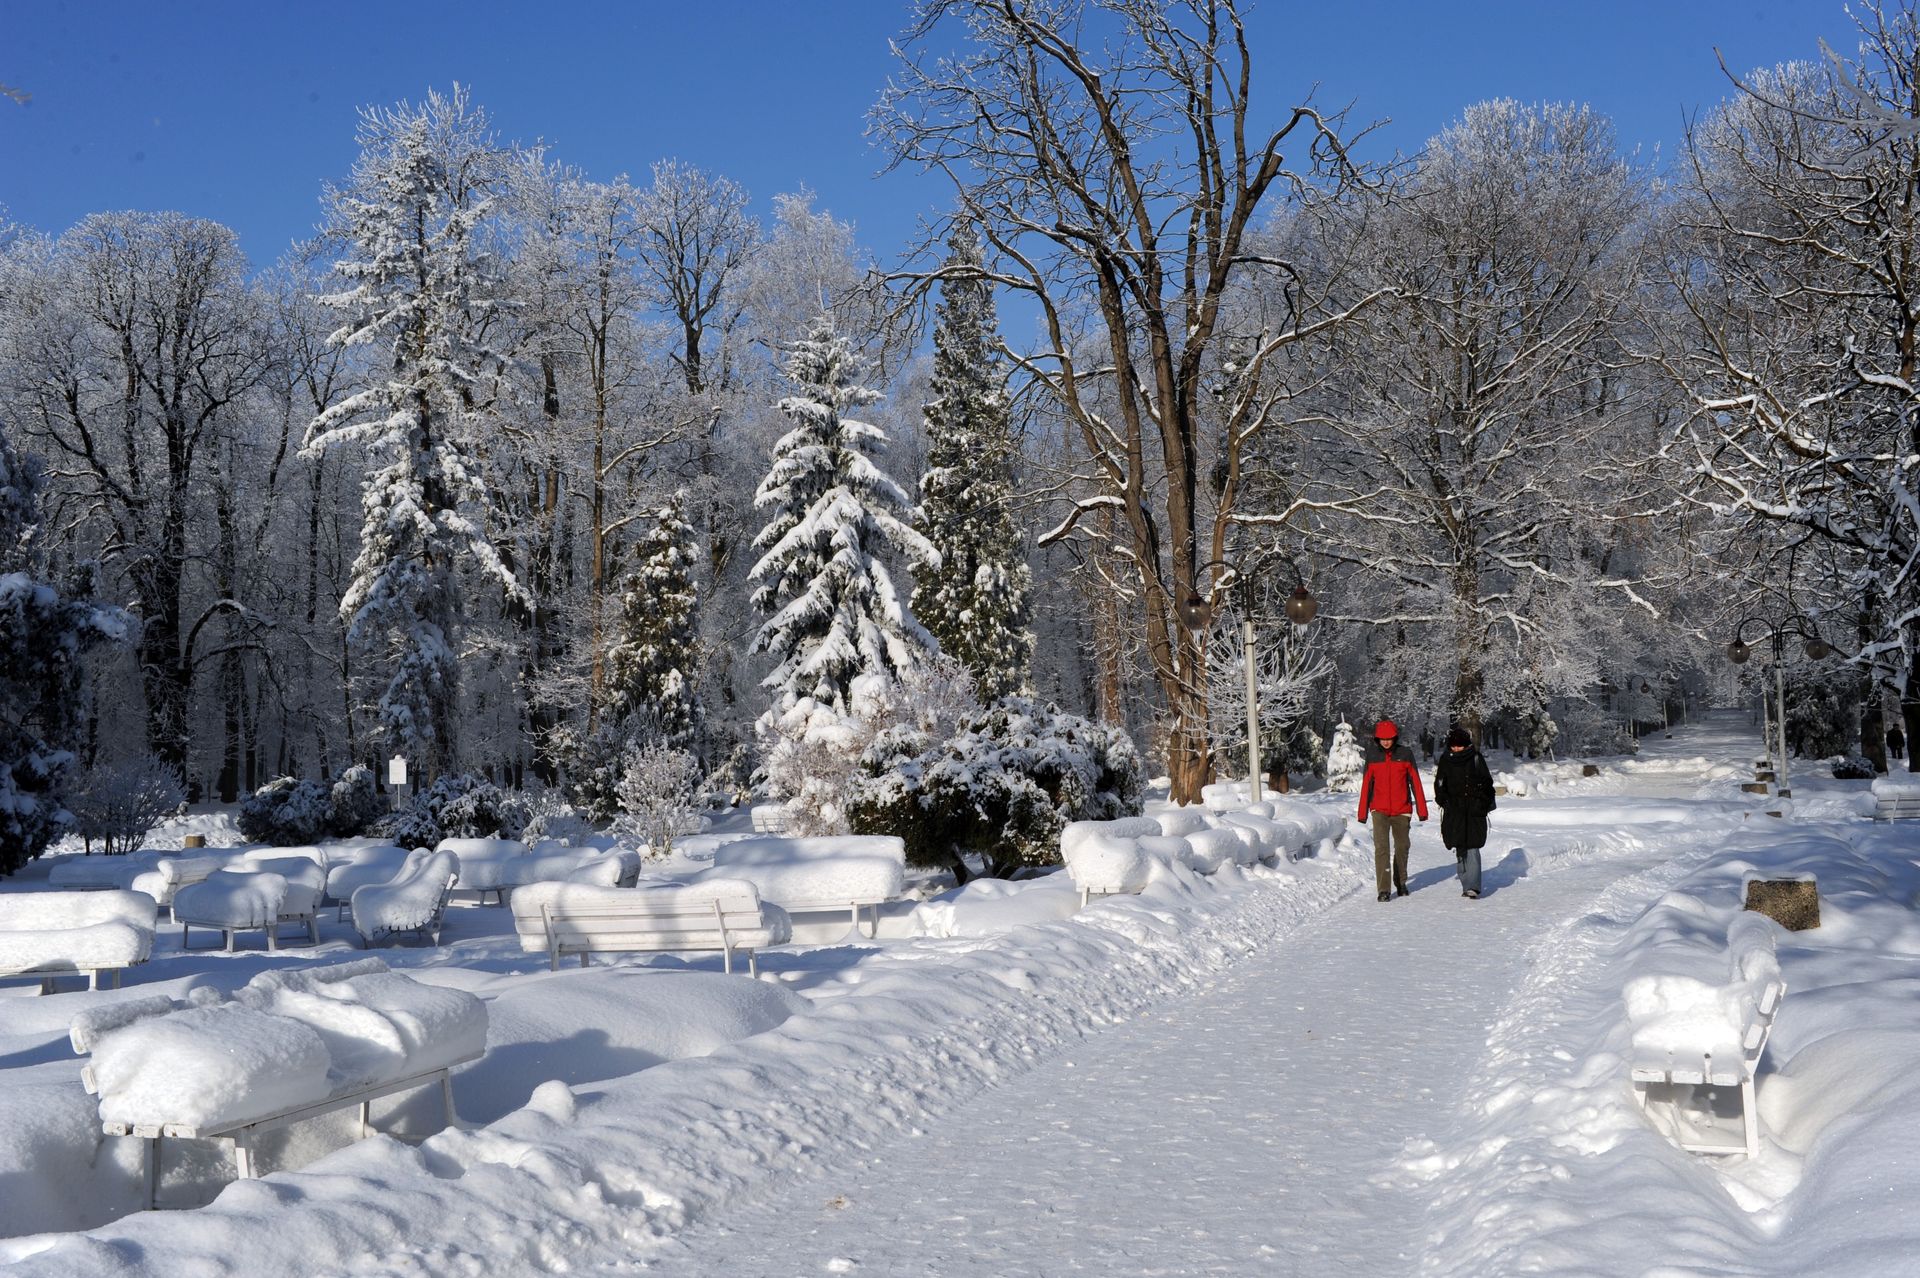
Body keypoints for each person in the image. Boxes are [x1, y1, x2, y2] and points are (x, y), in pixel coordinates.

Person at [1357, 719, 1427, 901]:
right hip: (1379, 809)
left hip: (1401, 809)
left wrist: (1422, 809)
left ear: (1395, 738)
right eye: (1382, 739)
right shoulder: (1372, 756)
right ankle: (1384, 889)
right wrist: (1363, 812)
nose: (1386, 742)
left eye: (1389, 738)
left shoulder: (1405, 754)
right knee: (1381, 848)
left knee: (1402, 846)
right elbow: (1366, 786)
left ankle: (1401, 881)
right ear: (1377, 739)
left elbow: (1415, 782)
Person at [1434, 725, 1496, 900]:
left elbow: (1487, 783)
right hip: (1454, 810)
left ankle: (1473, 886)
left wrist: (1482, 803)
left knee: (1473, 846)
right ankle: (1465, 882)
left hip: (1474, 809)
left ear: (1466, 745)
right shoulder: (1446, 760)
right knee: (1460, 846)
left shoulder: (1476, 758)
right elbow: (1439, 784)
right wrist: (1444, 801)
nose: (1456, 748)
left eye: (1459, 745)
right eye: (1453, 745)